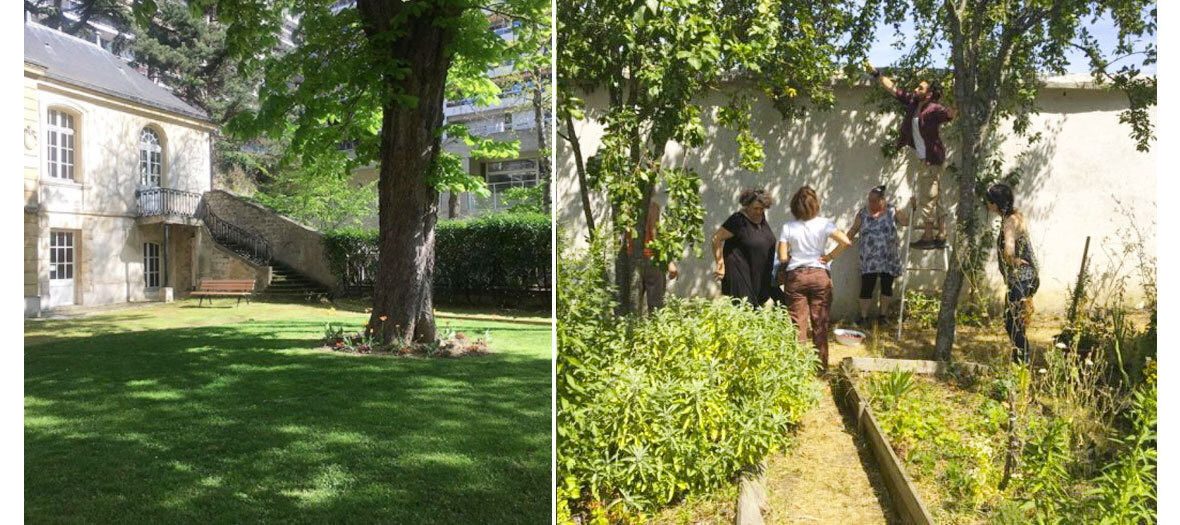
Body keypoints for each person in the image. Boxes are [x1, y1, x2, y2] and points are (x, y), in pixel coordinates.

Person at [866, 63, 955, 250]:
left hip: (931, 160)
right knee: (936, 197)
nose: (916, 89)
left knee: (928, 198)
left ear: (930, 93)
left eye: (920, 88)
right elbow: (894, 90)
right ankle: (942, 233)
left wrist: (960, 99)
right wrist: (876, 74)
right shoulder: (915, 103)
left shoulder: (934, 108)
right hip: (927, 159)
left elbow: (950, 114)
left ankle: (929, 236)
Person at [778, 186, 852, 370]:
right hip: (820, 275)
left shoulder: (788, 227)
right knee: (820, 322)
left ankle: (797, 369)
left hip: (797, 276)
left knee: (797, 324)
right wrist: (829, 256)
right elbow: (846, 241)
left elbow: (782, 257)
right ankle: (821, 367)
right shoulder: (825, 223)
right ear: (815, 205)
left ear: (794, 206)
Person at [985, 184, 1039, 363]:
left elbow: (1009, 250)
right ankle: (1020, 358)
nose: (986, 203)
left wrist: (1012, 260)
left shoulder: (1009, 222)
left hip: (1021, 278)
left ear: (995, 203)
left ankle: (1022, 361)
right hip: (1027, 277)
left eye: (989, 200)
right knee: (1016, 320)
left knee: (1012, 322)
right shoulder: (1015, 217)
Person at [847, 185, 908, 325]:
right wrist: (844, 241)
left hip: (888, 257)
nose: (871, 203)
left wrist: (912, 205)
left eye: (874, 200)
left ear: (883, 200)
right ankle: (863, 317)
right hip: (869, 258)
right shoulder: (862, 213)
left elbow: (905, 222)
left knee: (887, 286)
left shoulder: (892, 210)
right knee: (867, 286)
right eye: (870, 200)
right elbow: (854, 229)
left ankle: (883, 316)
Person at [712, 189, 778, 308]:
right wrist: (720, 264)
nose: (758, 211)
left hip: (757, 271)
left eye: (761, 209)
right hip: (739, 270)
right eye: (755, 208)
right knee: (745, 307)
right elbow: (716, 238)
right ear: (747, 205)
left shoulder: (761, 219)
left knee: (759, 306)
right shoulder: (738, 220)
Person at [626, 198, 679, 312]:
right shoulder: (652, 207)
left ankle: (634, 328)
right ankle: (655, 327)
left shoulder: (627, 208)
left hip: (632, 259)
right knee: (656, 304)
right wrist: (669, 262)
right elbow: (655, 236)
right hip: (650, 258)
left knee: (633, 304)